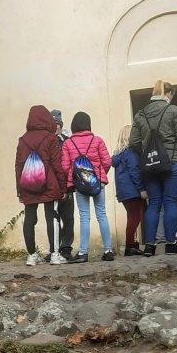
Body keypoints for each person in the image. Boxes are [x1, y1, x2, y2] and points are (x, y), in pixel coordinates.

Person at [130, 81, 177, 256]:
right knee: (170, 201)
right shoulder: (174, 111)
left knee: (153, 204)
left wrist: (147, 152)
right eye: (171, 95)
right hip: (172, 162)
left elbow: (133, 142)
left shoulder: (140, 114)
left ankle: (149, 246)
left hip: (149, 164)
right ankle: (171, 244)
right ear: (167, 94)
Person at [14, 105, 68, 265]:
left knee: (29, 218)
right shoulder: (50, 138)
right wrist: (63, 187)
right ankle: (55, 255)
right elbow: (57, 165)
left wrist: (19, 190)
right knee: (52, 217)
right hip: (49, 184)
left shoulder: (22, 140)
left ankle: (31, 255)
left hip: (28, 183)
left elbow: (18, 166)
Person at [60, 112, 114, 262]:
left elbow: (64, 167)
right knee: (101, 214)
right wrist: (100, 175)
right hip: (98, 183)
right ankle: (108, 250)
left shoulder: (68, 143)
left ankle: (83, 253)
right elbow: (108, 162)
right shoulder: (97, 140)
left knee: (84, 217)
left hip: (79, 184)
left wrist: (75, 177)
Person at [112, 125, 145, 256]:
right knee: (135, 218)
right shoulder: (130, 153)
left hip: (123, 192)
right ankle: (130, 245)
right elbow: (134, 172)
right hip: (132, 190)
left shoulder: (118, 155)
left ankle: (132, 243)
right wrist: (142, 188)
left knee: (132, 217)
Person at [50, 109, 76, 261]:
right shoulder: (46, 142)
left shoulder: (67, 140)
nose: (56, 127)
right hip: (52, 187)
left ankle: (66, 248)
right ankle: (54, 249)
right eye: (54, 124)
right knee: (53, 219)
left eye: (58, 124)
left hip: (67, 186)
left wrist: (68, 186)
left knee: (68, 218)